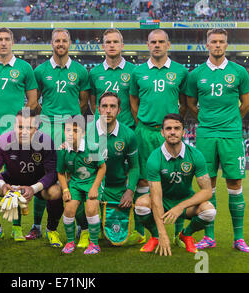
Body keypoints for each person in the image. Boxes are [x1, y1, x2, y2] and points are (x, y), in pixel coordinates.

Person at [186, 28, 249, 253]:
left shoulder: (239, 71)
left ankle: (239, 238)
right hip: (205, 135)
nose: (217, 45)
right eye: (213, 41)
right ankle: (209, 237)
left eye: (221, 41)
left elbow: (246, 105)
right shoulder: (196, 74)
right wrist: (207, 122)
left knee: (234, 185)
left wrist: (231, 121)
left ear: (226, 45)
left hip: (231, 136)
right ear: (206, 44)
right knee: (208, 186)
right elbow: (190, 104)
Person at [0, 27, 38, 239]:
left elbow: (32, 101)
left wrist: (21, 124)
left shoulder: (24, 68)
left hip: (17, 137)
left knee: (17, 179)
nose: (3, 43)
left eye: (7, 39)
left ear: (12, 42)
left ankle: (18, 227)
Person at [30, 28, 90, 245]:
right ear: (51, 43)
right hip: (46, 127)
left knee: (76, 177)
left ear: (70, 43)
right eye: (57, 40)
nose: (61, 44)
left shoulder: (81, 71)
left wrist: (71, 123)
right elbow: (34, 102)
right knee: (42, 175)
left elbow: (83, 103)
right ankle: (36, 226)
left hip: (72, 127)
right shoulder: (40, 71)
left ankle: (82, 227)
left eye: (64, 40)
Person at [129, 29, 189, 246]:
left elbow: (184, 102)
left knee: (178, 181)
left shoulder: (181, 71)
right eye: (153, 42)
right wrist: (143, 123)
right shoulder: (138, 72)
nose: (157, 45)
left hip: (170, 132)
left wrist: (172, 126)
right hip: (145, 131)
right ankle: (144, 231)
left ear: (168, 44)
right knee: (143, 180)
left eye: (161, 42)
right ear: (147, 44)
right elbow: (133, 100)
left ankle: (179, 233)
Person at [0, 109, 64, 247]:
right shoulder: (4, 140)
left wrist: (33, 188)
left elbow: (52, 173)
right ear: (14, 126)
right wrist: (2, 185)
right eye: (20, 127)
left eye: (29, 127)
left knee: (56, 191)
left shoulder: (46, 141)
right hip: (12, 181)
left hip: (38, 184)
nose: (23, 131)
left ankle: (51, 230)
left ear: (36, 128)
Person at [134, 113, 216, 255]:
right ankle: (155, 236)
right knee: (141, 205)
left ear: (184, 132)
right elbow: (156, 197)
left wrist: (180, 207)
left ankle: (186, 234)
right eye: (168, 128)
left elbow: (207, 192)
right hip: (163, 202)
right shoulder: (154, 158)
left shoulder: (195, 155)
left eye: (177, 128)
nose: (172, 132)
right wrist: (162, 234)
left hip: (185, 203)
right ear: (162, 132)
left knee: (209, 211)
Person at [86, 92, 139, 245]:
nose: (108, 110)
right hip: (92, 185)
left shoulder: (128, 135)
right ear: (98, 109)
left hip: (117, 188)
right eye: (104, 106)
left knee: (114, 235)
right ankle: (83, 229)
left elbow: (135, 167)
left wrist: (129, 191)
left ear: (119, 110)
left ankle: (141, 231)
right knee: (76, 196)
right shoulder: (87, 132)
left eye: (112, 106)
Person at [57, 115, 106, 255]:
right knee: (69, 210)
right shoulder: (62, 150)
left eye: (75, 130)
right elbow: (60, 173)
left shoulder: (93, 147)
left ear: (83, 133)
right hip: (75, 184)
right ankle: (70, 242)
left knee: (91, 209)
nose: (71, 133)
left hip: (92, 182)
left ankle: (95, 244)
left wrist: (95, 187)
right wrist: (65, 189)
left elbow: (102, 168)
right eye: (67, 130)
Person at [89, 28, 136, 130]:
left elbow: (137, 102)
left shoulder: (134, 71)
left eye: (115, 42)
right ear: (103, 46)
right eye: (108, 42)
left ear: (122, 45)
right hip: (101, 129)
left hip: (127, 127)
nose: (112, 45)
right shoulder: (94, 73)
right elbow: (93, 104)